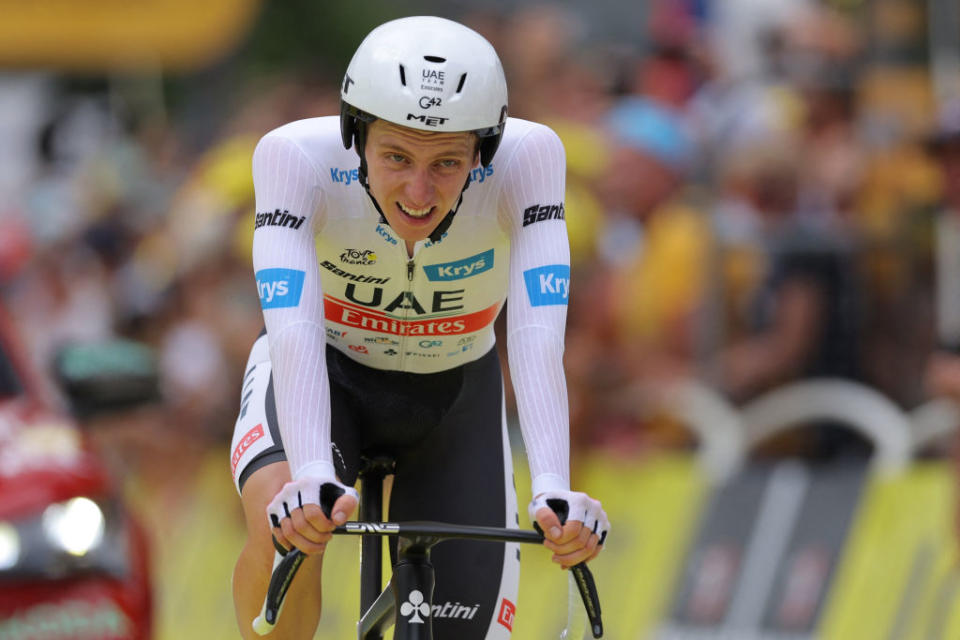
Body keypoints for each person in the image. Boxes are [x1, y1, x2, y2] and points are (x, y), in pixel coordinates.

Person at [229, 16, 609, 639]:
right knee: (287, 529)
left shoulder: (531, 159)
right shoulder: (294, 157)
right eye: (396, 156)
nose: (418, 189)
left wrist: (554, 490)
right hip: (328, 372)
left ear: (483, 151)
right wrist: (311, 478)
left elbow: (539, 340)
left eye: (448, 163)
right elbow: (293, 328)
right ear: (356, 137)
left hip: (455, 392)